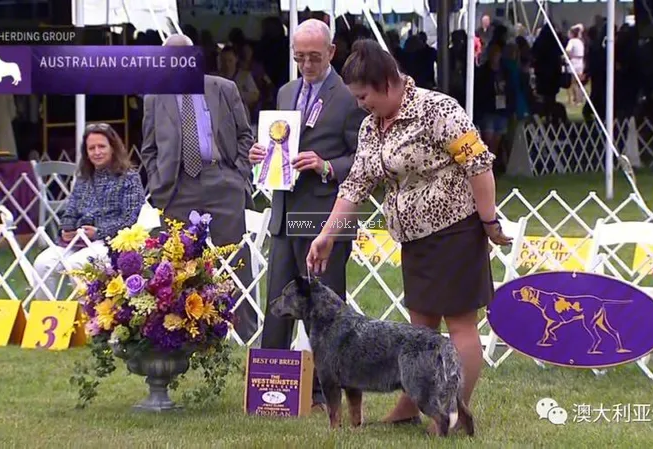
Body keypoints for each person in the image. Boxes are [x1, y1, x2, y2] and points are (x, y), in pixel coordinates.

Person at [305, 39, 512, 432]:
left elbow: (479, 165)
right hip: (414, 238)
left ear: (386, 82)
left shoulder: (438, 109)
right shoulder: (371, 126)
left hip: (456, 231)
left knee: (460, 327)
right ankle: (408, 405)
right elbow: (355, 184)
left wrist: (489, 222)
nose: (361, 104)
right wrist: (327, 235)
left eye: (364, 95)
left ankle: (451, 412)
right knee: (419, 333)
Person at [251, 19, 366, 410]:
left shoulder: (351, 97)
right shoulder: (284, 92)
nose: (306, 65)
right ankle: (272, 385)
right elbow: (279, 147)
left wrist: (325, 165)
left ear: (332, 52)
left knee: (327, 309)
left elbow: (365, 161)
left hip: (330, 215)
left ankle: (325, 390)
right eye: (299, 57)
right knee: (278, 302)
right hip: (286, 212)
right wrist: (262, 155)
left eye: (314, 57)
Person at [140, 33, 258, 344]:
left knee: (235, 261)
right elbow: (148, 149)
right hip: (177, 187)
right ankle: (185, 334)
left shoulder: (223, 88)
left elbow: (246, 136)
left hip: (222, 181)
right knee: (179, 264)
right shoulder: (154, 97)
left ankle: (244, 331)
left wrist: (238, 175)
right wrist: (158, 182)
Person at [32, 124, 143, 300]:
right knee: (42, 263)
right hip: (77, 240)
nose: (97, 152)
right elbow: (70, 211)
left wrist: (98, 232)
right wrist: (67, 228)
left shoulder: (129, 177)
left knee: (77, 264)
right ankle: (49, 316)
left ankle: (87, 321)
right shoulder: (83, 178)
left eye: (101, 146)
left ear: (113, 148)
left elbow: (130, 219)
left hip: (111, 243)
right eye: (92, 148)